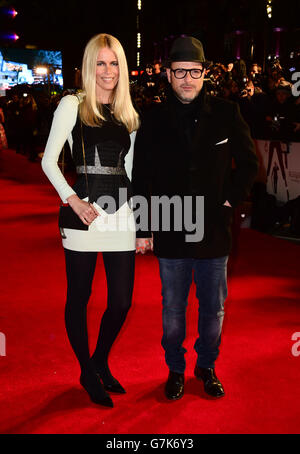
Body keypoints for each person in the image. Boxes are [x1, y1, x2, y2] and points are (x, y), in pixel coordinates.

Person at [132, 36, 258, 401]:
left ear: (205, 73)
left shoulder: (227, 113)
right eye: (180, 71)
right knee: (172, 308)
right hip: (170, 226)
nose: (188, 78)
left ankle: (206, 365)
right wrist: (144, 227)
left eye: (195, 71)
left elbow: (249, 163)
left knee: (213, 307)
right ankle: (174, 368)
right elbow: (142, 177)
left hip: (214, 231)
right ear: (168, 74)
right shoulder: (152, 119)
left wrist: (229, 202)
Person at [42, 33, 139, 408]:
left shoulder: (128, 113)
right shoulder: (72, 105)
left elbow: (130, 172)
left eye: (114, 63)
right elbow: (48, 160)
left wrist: (139, 221)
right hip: (81, 216)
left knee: (121, 302)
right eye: (100, 62)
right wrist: (73, 200)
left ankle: (99, 360)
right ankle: (86, 369)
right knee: (79, 297)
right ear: (88, 66)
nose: (107, 70)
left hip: (121, 218)